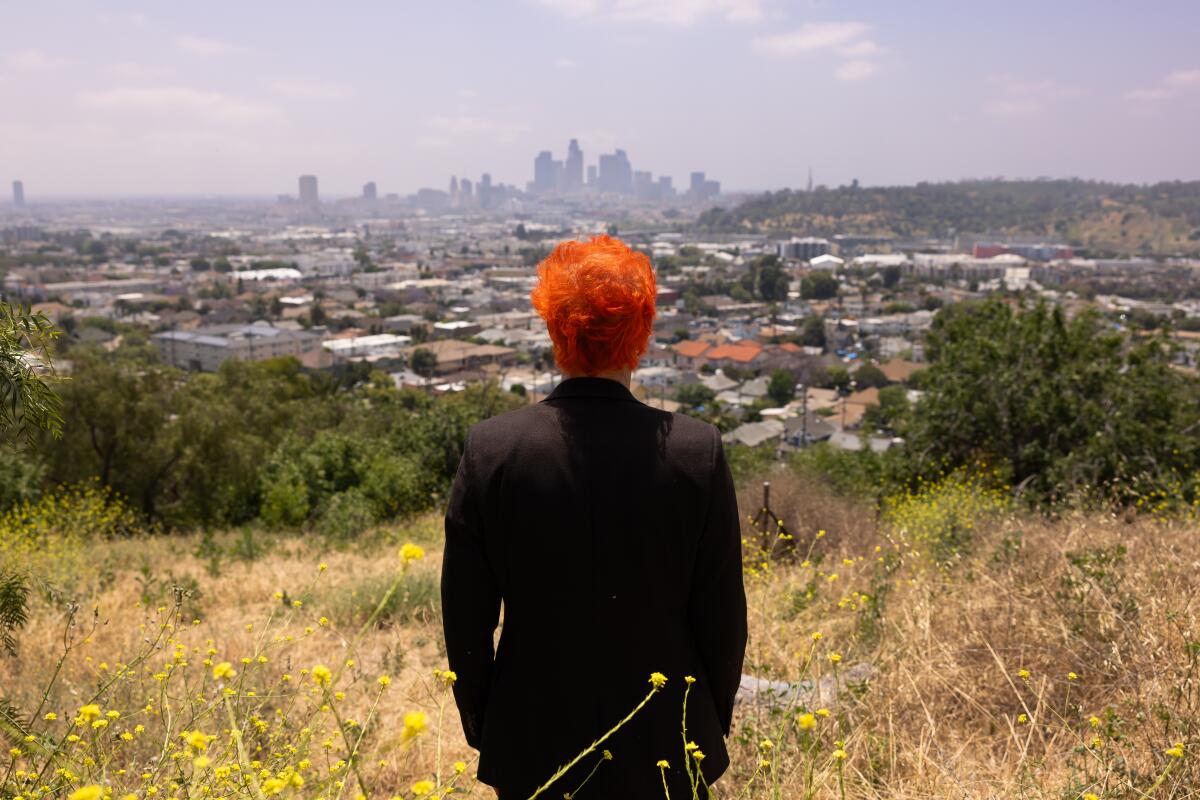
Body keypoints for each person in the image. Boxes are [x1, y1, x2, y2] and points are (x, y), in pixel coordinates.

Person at [441, 235, 747, 799]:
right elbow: (722, 614)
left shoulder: (493, 449)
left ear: (555, 329)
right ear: (643, 334)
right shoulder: (695, 451)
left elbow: (465, 618)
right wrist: (705, 721)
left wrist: (489, 729)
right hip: (667, 739)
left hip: (532, 738)